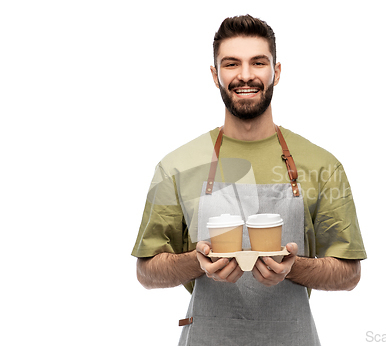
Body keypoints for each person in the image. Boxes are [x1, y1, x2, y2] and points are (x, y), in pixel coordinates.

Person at [131, 14, 367, 345]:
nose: (245, 75)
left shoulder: (323, 165)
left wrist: (292, 268)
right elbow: (146, 272)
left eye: (258, 62)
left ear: (277, 71)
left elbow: (349, 273)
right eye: (231, 64)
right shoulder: (177, 165)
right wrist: (196, 262)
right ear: (215, 75)